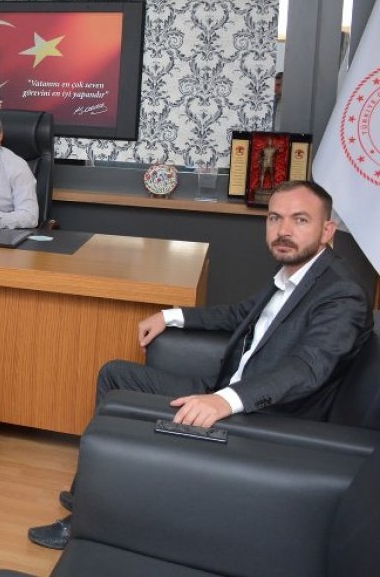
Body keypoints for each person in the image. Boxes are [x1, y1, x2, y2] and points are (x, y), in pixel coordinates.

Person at [28, 180, 372, 550]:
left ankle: (86, 519)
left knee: (125, 421)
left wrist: (226, 400)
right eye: (275, 218)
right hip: (226, 390)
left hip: (264, 418)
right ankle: (88, 489)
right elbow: (240, 314)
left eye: (300, 220)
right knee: (116, 375)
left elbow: (308, 368)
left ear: (327, 230)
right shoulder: (293, 274)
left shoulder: (341, 293)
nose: (284, 230)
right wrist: (171, 316)